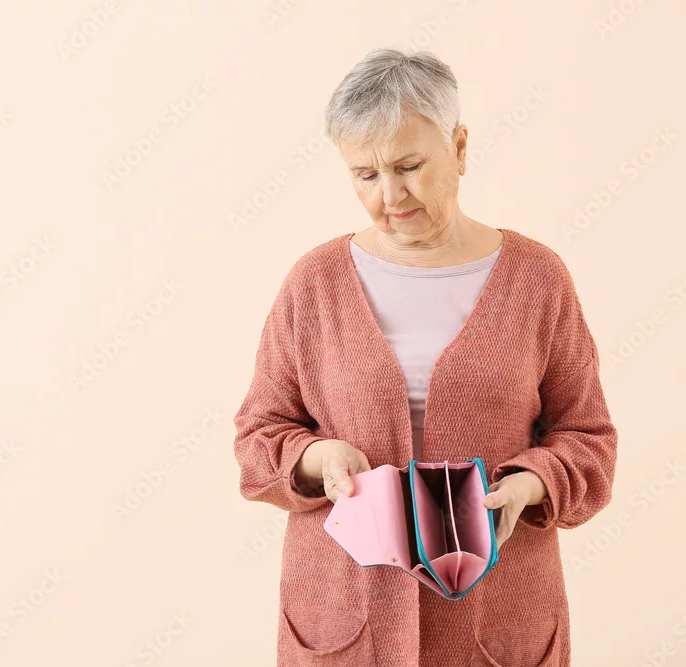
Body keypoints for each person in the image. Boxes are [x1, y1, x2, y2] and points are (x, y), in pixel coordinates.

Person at [232, 47, 618, 667]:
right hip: (344, 616)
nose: (390, 195)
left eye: (408, 166)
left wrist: (528, 484)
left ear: (459, 148)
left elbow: (588, 437)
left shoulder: (538, 279)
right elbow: (258, 435)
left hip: (497, 613)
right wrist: (317, 457)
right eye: (365, 175)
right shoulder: (314, 283)